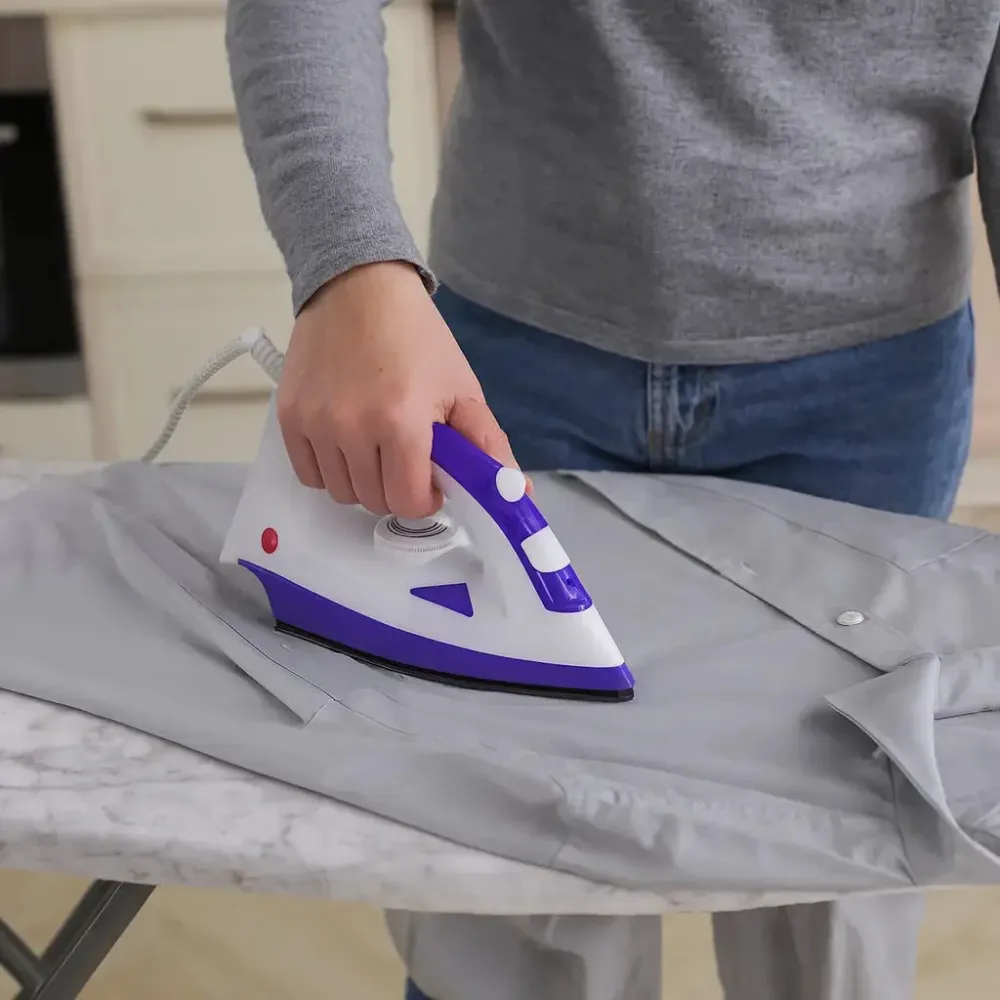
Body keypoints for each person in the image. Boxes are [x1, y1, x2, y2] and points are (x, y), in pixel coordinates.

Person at [225, 1, 997, 997]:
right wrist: (349, 268)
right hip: (507, 352)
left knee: (833, 872)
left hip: (866, 387)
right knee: (511, 857)